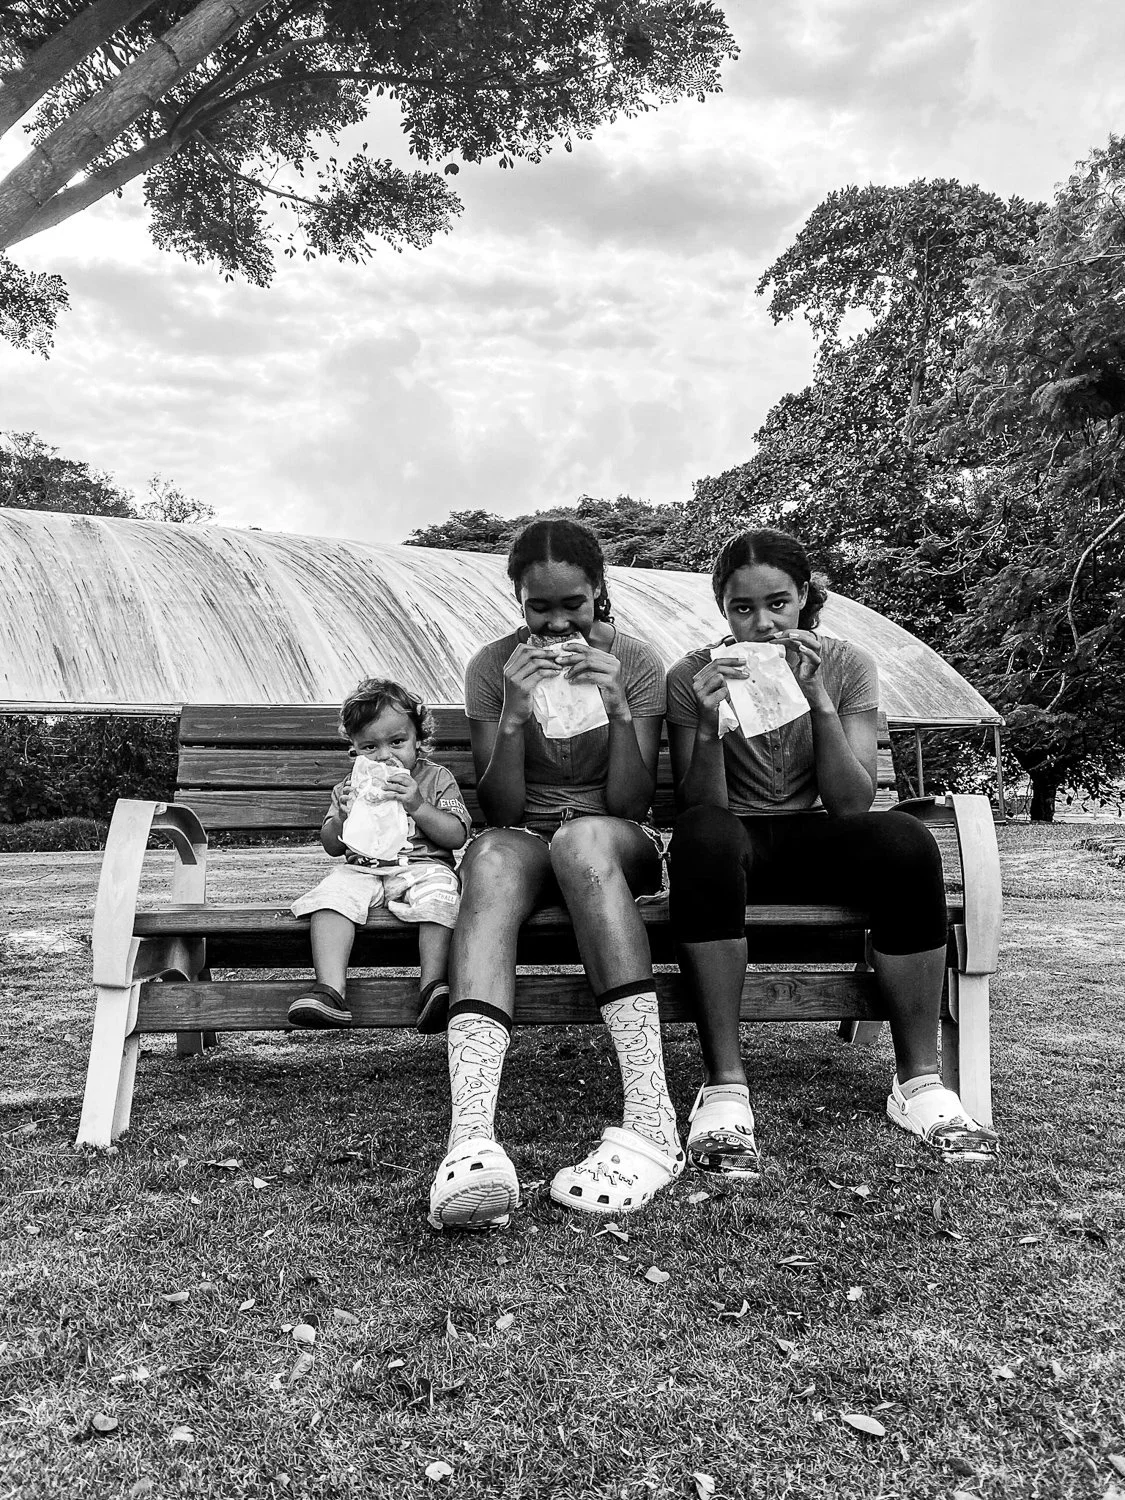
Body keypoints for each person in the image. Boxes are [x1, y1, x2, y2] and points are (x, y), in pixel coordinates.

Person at [666, 528, 999, 1174]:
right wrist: (708, 724)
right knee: (702, 835)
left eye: (777, 604)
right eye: (742, 608)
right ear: (722, 609)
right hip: (731, 847)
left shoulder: (844, 665)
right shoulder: (692, 676)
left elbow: (850, 804)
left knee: (904, 841)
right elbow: (697, 805)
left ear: (802, 600)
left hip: (816, 834)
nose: (761, 623)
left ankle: (918, 1082)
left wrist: (816, 698)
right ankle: (726, 1088)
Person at [427, 519, 683, 1231]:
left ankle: (650, 1114)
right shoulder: (492, 666)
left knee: (580, 841)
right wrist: (511, 714)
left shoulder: (633, 659)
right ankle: (470, 1137)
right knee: (487, 855)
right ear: (519, 604)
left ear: (598, 592)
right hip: (527, 837)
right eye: (539, 607)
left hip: (614, 840)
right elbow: (501, 809)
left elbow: (633, 802)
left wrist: (620, 709)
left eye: (571, 602)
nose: (557, 620)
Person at [288, 677, 471, 1030]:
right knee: (329, 898)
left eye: (397, 742)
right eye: (370, 747)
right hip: (362, 870)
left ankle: (433, 985)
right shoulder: (351, 784)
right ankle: (330, 990)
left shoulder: (435, 778)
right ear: (354, 750)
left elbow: (456, 835)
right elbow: (332, 846)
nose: (385, 755)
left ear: (419, 739)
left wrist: (417, 804)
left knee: (442, 896)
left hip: (422, 866)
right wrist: (341, 814)